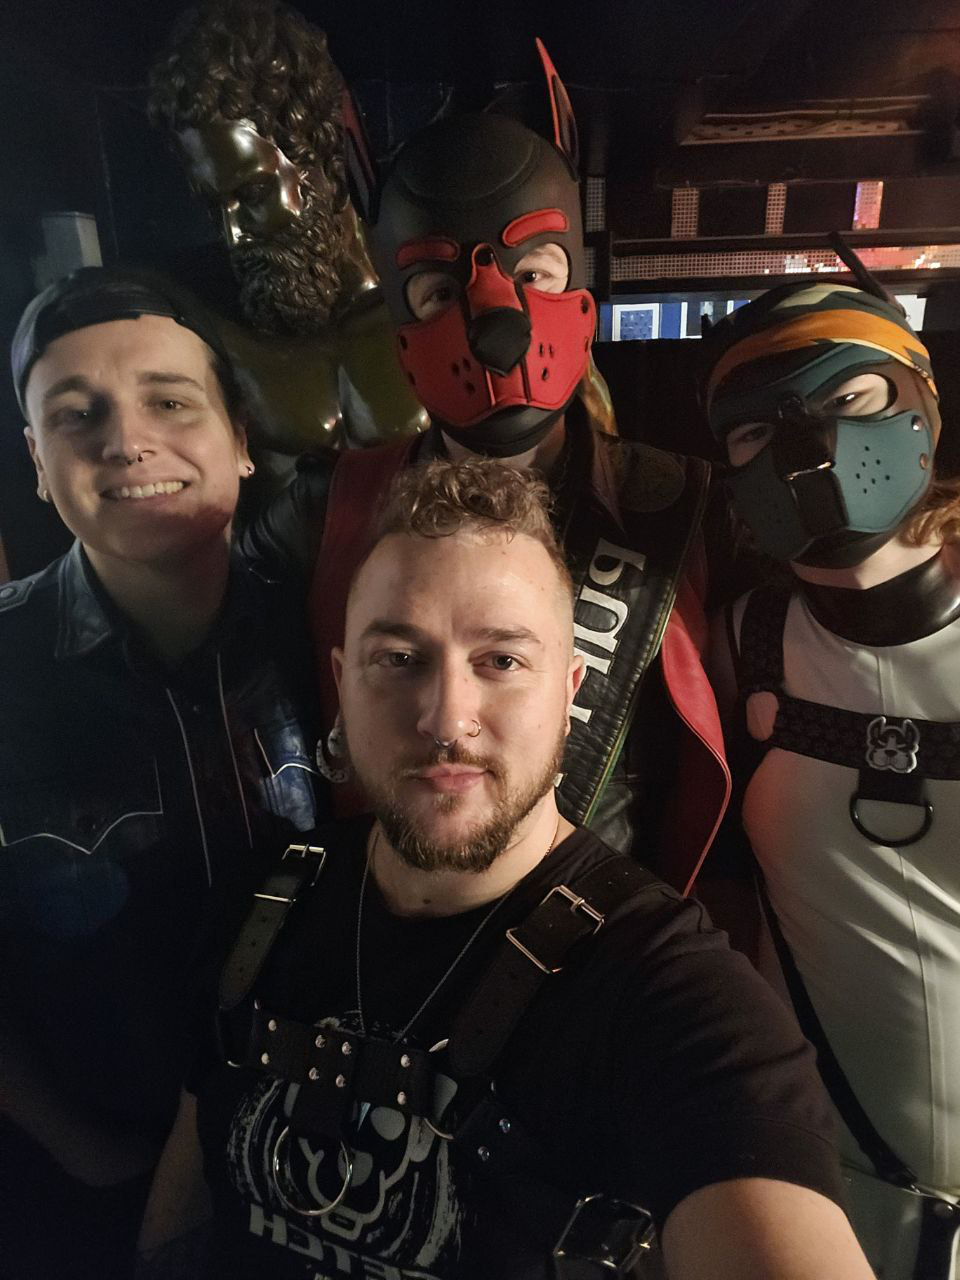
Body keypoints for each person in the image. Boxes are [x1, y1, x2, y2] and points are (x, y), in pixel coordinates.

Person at [139, 459, 873, 1279]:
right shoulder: (264, 901)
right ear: (344, 685)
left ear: (569, 694)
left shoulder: (665, 991)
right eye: (399, 658)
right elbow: (179, 1214)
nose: (446, 718)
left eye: (501, 662)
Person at [244, 40, 727, 890]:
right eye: (439, 292)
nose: (497, 322)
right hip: (393, 922)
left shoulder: (685, 507)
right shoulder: (328, 507)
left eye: (533, 271)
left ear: (580, 292)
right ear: (400, 325)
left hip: (611, 932)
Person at [0, 266, 325, 1280]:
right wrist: (81, 1149)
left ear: (241, 436)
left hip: (326, 1173)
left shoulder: (342, 631)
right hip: (88, 1185)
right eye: (77, 413)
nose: (126, 440)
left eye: (170, 401)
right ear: (39, 462)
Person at [703, 276, 960, 1278]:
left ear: (919, 397)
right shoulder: (740, 644)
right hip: (819, 1190)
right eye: (755, 433)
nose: (809, 452)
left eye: (848, 397)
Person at [148, 0, 427, 455]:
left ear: (325, 165)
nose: (234, 235)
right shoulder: (198, 332)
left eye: (254, 194)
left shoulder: (432, 305)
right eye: (216, 207)